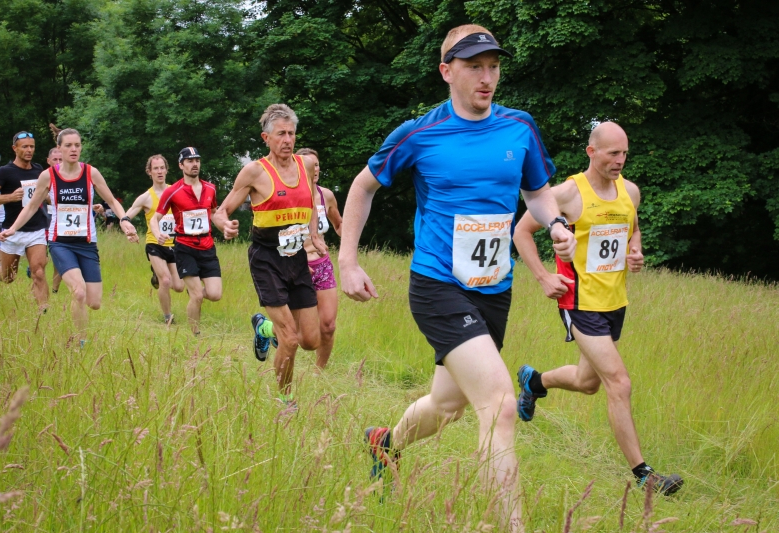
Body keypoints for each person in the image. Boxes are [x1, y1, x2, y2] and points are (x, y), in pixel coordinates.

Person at [339, 25, 576, 530]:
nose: (487, 78)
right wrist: (348, 260)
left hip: (494, 286)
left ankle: (385, 443)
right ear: (447, 72)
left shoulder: (519, 128)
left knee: (447, 405)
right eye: (474, 67)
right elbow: (362, 188)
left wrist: (554, 222)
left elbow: (537, 192)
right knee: (498, 403)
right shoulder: (419, 133)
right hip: (437, 285)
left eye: (493, 66)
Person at [512, 122, 683, 495]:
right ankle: (644, 476)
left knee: (588, 382)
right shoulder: (568, 193)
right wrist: (543, 278)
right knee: (618, 383)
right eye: (612, 154)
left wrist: (635, 251)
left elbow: (632, 228)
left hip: (614, 302)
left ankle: (533, 382)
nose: (620, 161)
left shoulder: (630, 192)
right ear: (591, 152)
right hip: (579, 302)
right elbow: (521, 231)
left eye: (624, 153)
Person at [212, 104, 326, 406]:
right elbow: (220, 211)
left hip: (297, 260)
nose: (287, 140)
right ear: (266, 137)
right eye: (280, 134)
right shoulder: (255, 172)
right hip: (266, 259)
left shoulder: (307, 165)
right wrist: (225, 226)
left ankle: (263, 327)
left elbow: (313, 202)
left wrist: (314, 235)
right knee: (288, 339)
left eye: (291, 133)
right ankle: (284, 401)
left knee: (311, 341)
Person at [0, 128, 139, 344]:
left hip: (87, 243)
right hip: (60, 243)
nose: (73, 149)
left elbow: (111, 200)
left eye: (77, 145)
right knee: (79, 292)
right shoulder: (48, 176)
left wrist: (124, 220)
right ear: (59, 148)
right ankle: (80, 341)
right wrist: (13, 228)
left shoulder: (91, 173)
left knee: (94, 302)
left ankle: (79, 327)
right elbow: (31, 206)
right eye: (68, 145)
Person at [150, 147, 221, 336]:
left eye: (197, 160)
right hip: (185, 247)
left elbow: (214, 214)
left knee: (215, 294)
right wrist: (157, 234)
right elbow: (154, 218)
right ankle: (194, 335)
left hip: (207, 247)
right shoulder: (173, 191)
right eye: (189, 161)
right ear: (181, 165)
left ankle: (194, 292)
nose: (194, 164)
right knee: (197, 295)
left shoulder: (211, 188)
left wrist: (227, 226)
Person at [0, 132, 49, 310]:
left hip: (36, 229)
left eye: (32, 147)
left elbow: (44, 196)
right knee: (8, 277)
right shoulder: (5, 172)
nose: (29, 150)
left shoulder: (38, 170)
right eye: (25, 147)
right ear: (15, 148)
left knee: (39, 271)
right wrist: (10, 197)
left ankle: (43, 312)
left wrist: (49, 197)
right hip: (12, 230)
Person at [296, 147, 342, 370]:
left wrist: (350, 244)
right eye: (308, 165)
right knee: (305, 339)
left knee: (328, 325)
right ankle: (266, 327)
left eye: (316, 165)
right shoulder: (289, 197)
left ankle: (319, 372)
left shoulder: (327, 196)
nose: (313, 169)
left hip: (322, 264)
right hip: (296, 265)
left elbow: (339, 224)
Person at [126, 154, 185, 324]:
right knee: (165, 280)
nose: (159, 171)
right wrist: (128, 226)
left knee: (179, 287)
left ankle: (156, 276)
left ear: (166, 170)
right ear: (149, 172)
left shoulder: (175, 191)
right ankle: (168, 317)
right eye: (155, 169)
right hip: (154, 244)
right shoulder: (146, 197)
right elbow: (127, 215)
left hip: (174, 245)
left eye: (162, 168)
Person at [45, 146, 63, 293]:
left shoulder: (70, 177)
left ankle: (54, 291)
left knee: (60, 258)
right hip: (43, 220)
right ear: (48, 161)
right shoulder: (44, 177)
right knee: (41, 259)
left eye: (60, 159)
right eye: (55, 159)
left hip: (61, 222)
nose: (58, 162)